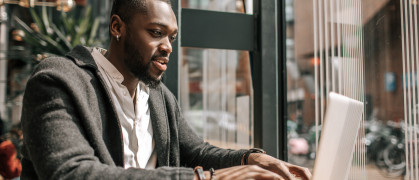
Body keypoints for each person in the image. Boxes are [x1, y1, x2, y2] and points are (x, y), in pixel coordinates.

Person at [20, 0, 312, 179]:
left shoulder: (158, 96)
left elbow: (196, 152)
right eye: (156, 33)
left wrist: (251, 159)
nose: (168, 47)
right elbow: (72, 174)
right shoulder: (58, 80)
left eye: (172, 37)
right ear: (117, 27)